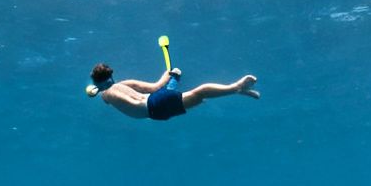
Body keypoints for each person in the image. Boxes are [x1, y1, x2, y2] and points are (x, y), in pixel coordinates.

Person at [88, 62, 259, 121]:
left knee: (199, 95)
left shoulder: (106, 94)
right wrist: (168, 74)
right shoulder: (125, 84)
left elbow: (111, 98)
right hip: (155, 103)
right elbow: (156, 87)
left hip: (155, 113)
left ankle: (236, 88)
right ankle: (176, 77)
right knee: (199, 94)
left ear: (98, 83)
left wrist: (98, 90)